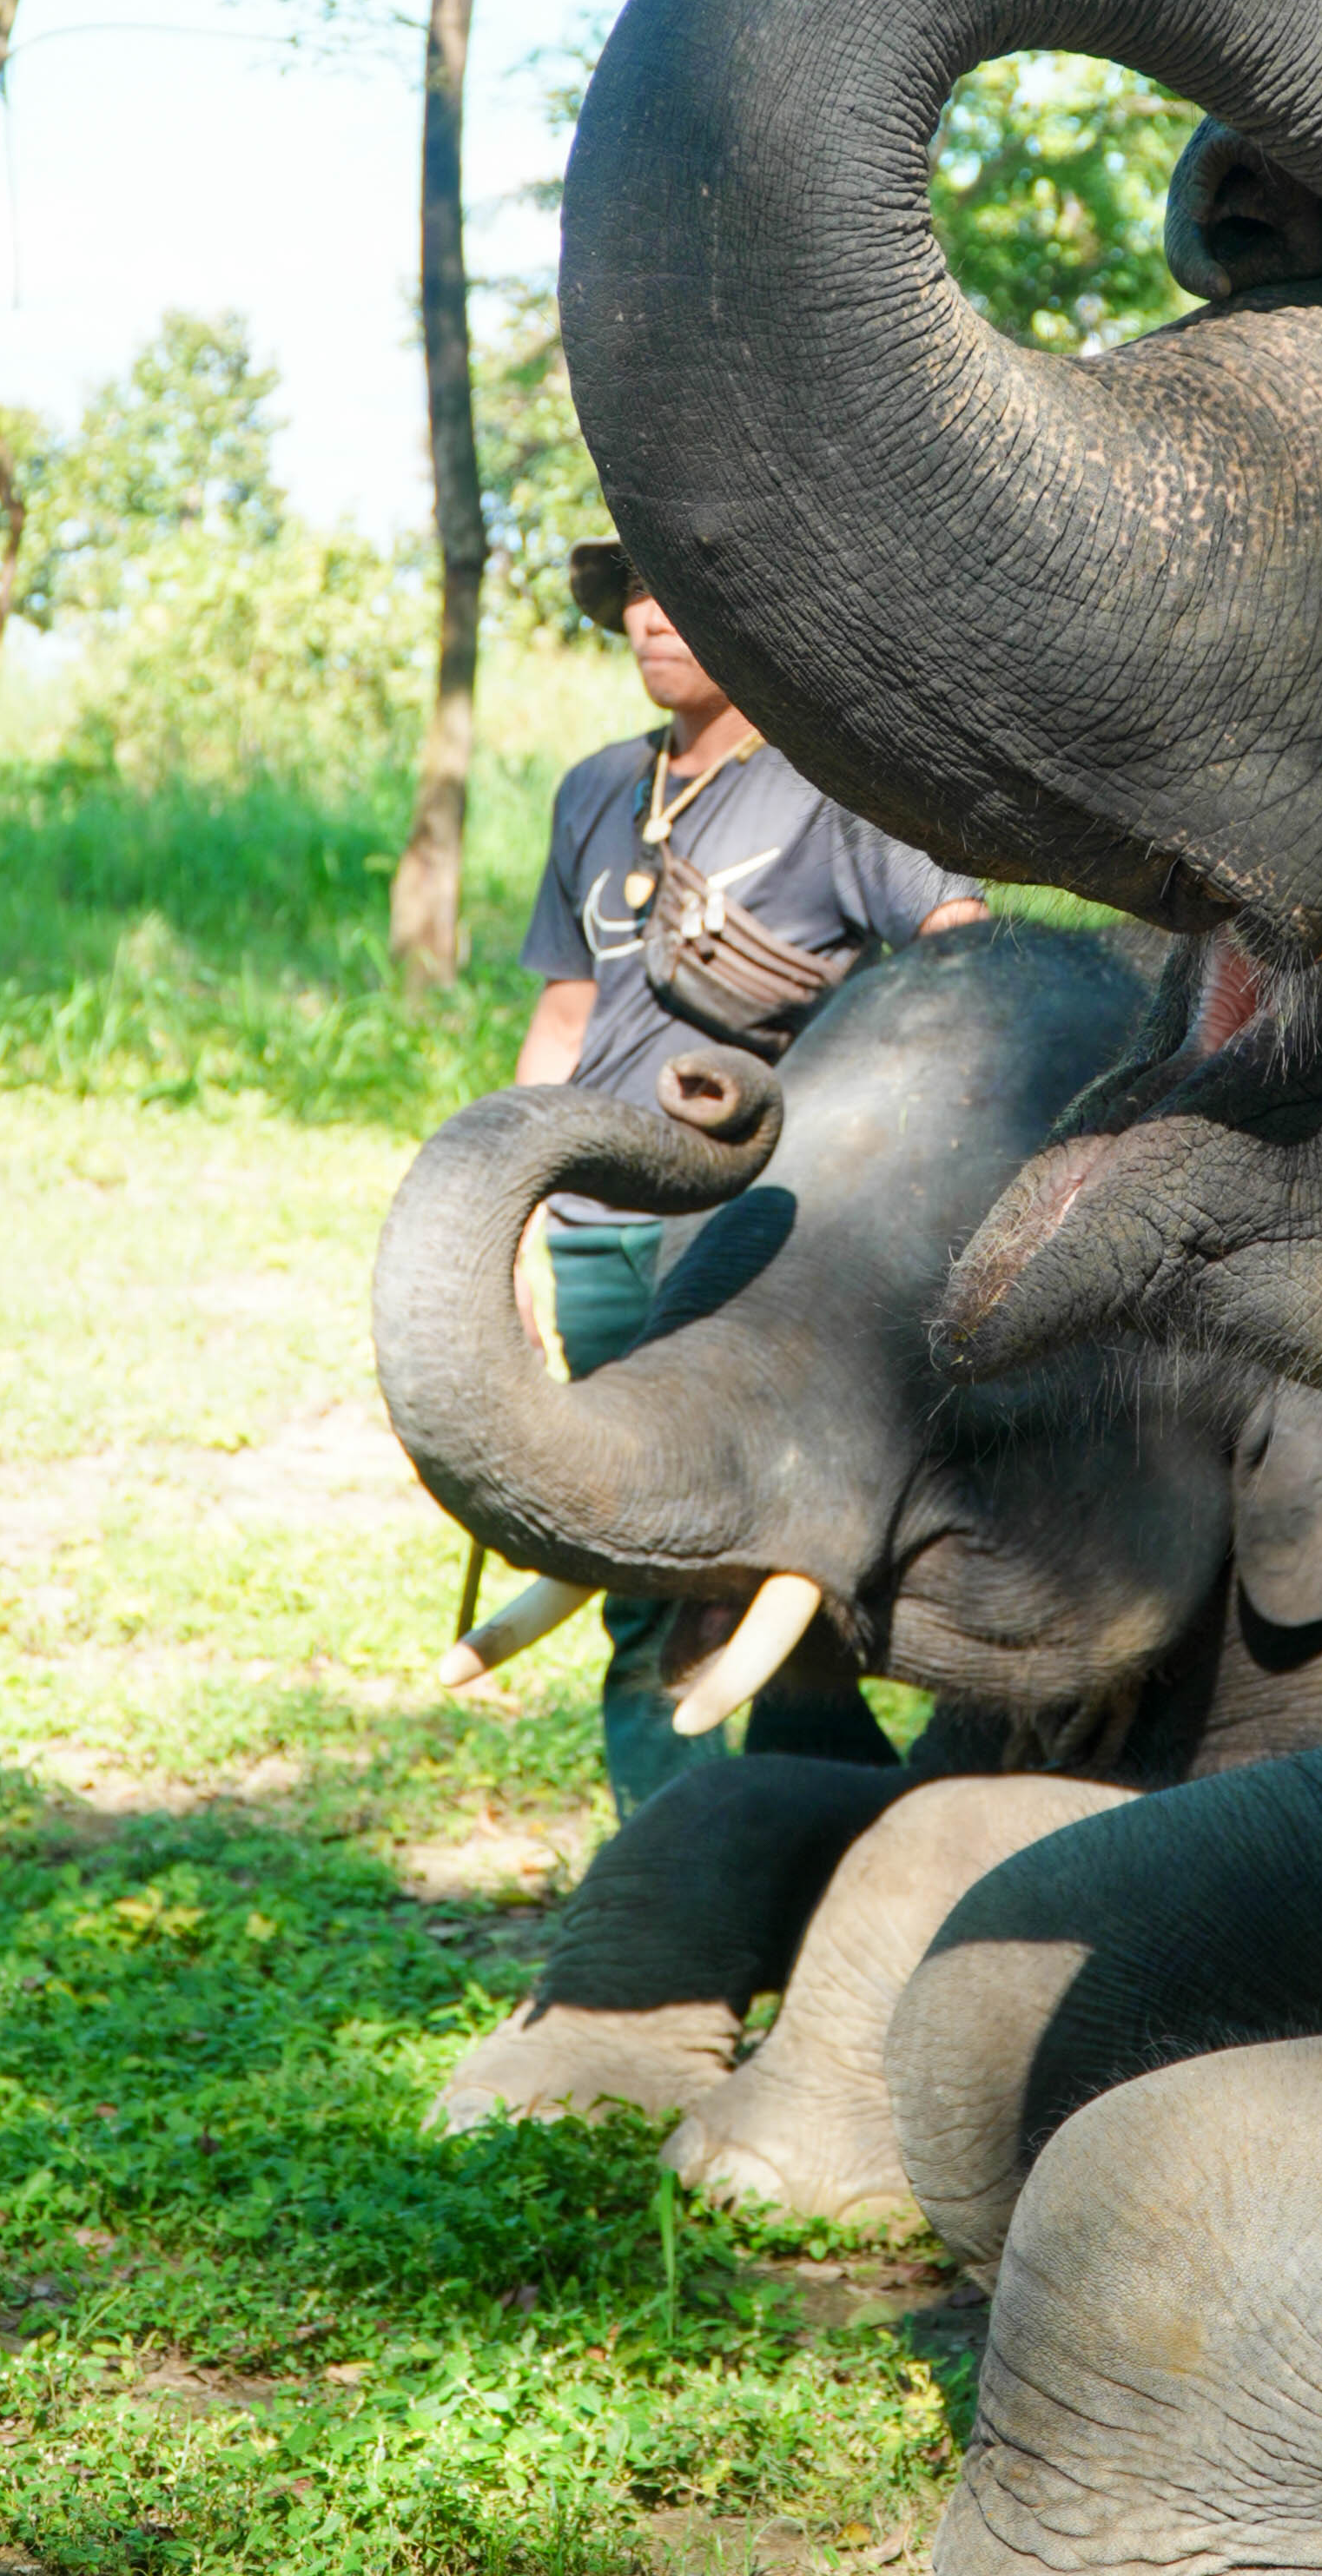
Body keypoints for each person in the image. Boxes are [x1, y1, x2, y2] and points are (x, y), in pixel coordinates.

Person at [515, 537, 987, 1804]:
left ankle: (794, 1837)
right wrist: (509, 1208)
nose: (651, 618)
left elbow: (959, 949)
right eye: (635, 597)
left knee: (767, 1539)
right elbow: (566, 1017)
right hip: (593, 1227)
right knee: (617, 1542)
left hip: (753, 1237)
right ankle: (662, 1858)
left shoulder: (829, 791)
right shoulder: (594, 792)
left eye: (680, 596)